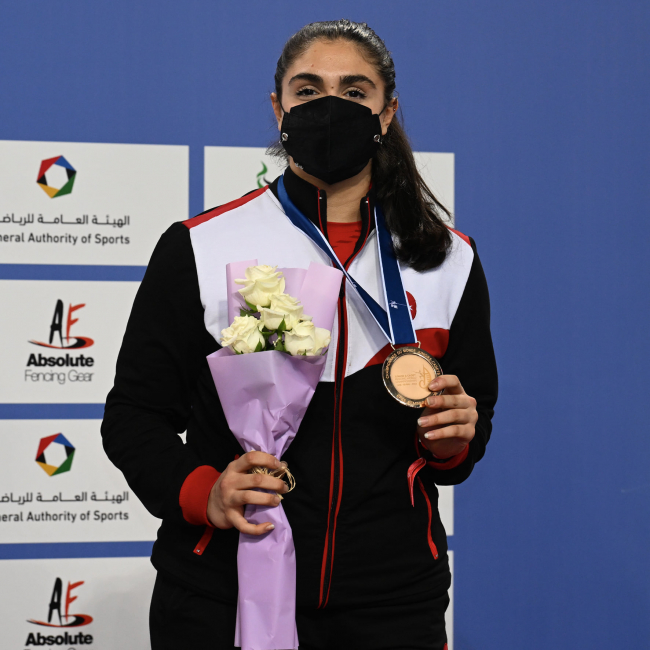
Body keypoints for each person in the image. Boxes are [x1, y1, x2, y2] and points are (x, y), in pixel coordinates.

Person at [102, 19, 497, 650]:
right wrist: (204, 493)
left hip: (392, 604)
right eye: (308, 91)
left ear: (387, 112)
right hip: (220, 592)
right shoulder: (201, 247)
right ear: (278, 107)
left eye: (355, 92)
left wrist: (452, 440)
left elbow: (463, 442)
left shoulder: (448, 259)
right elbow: (134, 416)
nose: (330, 107)